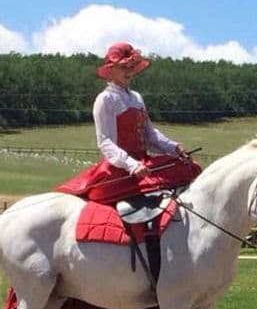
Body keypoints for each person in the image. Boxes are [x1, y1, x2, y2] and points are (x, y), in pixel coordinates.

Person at [57, 42, 201, 204]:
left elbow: (150, 136)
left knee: (188, 167)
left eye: (131, 67)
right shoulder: (106, 99)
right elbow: (106, 142)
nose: (129, 72)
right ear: (111, 71)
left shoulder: (137, 98)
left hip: (144, 163)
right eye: (124, 67)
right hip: (120, 166)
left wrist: (173, 147)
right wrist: (131, 165)